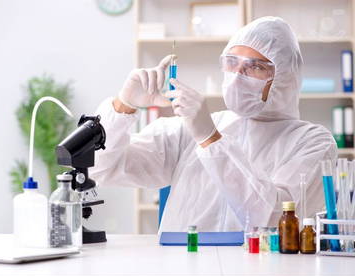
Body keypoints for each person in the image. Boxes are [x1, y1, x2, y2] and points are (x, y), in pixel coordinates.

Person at [90, 16, 337, 232]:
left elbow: (273, 218)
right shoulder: (190, 128)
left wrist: (210, 139)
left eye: (255, 67)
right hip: (182, 268)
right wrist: (123, 106)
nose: (237, 75)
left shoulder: (312, 142)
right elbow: (101, 169)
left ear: (284, 78)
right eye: (232, 62)